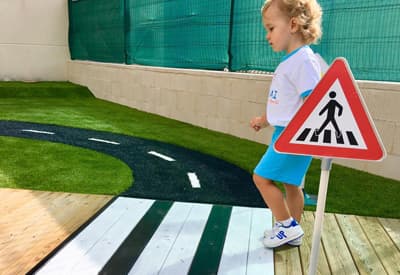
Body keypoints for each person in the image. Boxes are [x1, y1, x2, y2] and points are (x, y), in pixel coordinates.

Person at [250, 0, 323, 248]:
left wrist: (297, 135)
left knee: (260, 178)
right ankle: (293, 230)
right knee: (292, 184)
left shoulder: (303, 61)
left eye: (271, 28)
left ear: (292, 24)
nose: (267, 36)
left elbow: (313, 102)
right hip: (288, 133)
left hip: (293, 136)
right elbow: (285, 106)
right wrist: (264, 120)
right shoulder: (292, 61)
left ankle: (287, 226)